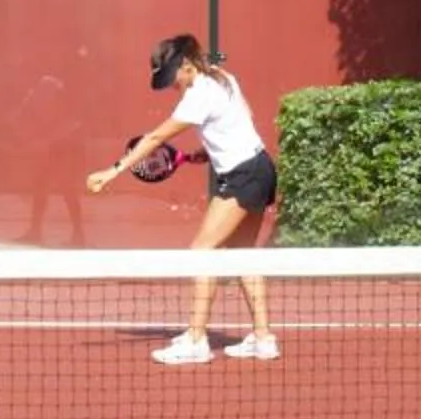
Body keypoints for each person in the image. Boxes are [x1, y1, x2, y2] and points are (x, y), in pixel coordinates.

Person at [86, 33, 280, 364]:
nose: (172, 86)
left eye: (172, 77)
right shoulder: (223, 78)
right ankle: (263, 339)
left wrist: (113, 170)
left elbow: (158, 136)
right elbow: (241, 119)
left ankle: (196, 340)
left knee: (201, 253)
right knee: (243, 254)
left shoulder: (197, 95)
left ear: (186, 66)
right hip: (261, 167)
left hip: (243, 175)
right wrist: (210, 151)